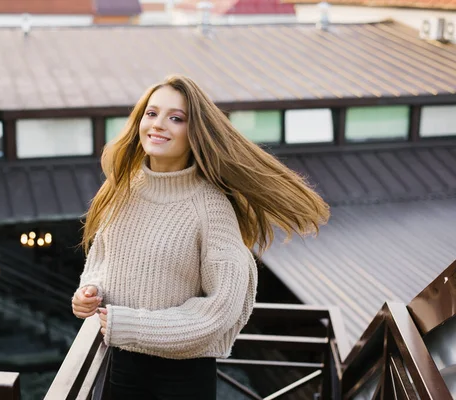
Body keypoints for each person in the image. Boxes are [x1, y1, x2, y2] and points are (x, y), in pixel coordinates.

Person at [71, 75, 329, 399]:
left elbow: (221, 309)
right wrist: (89, 292)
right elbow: (102, 258)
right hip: (120, 366)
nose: (158, 125)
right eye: (151, 114)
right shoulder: (123, 189)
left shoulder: (210, 209)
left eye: (175, 118)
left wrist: (132, 326)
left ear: (195, 133)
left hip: (179, 380)